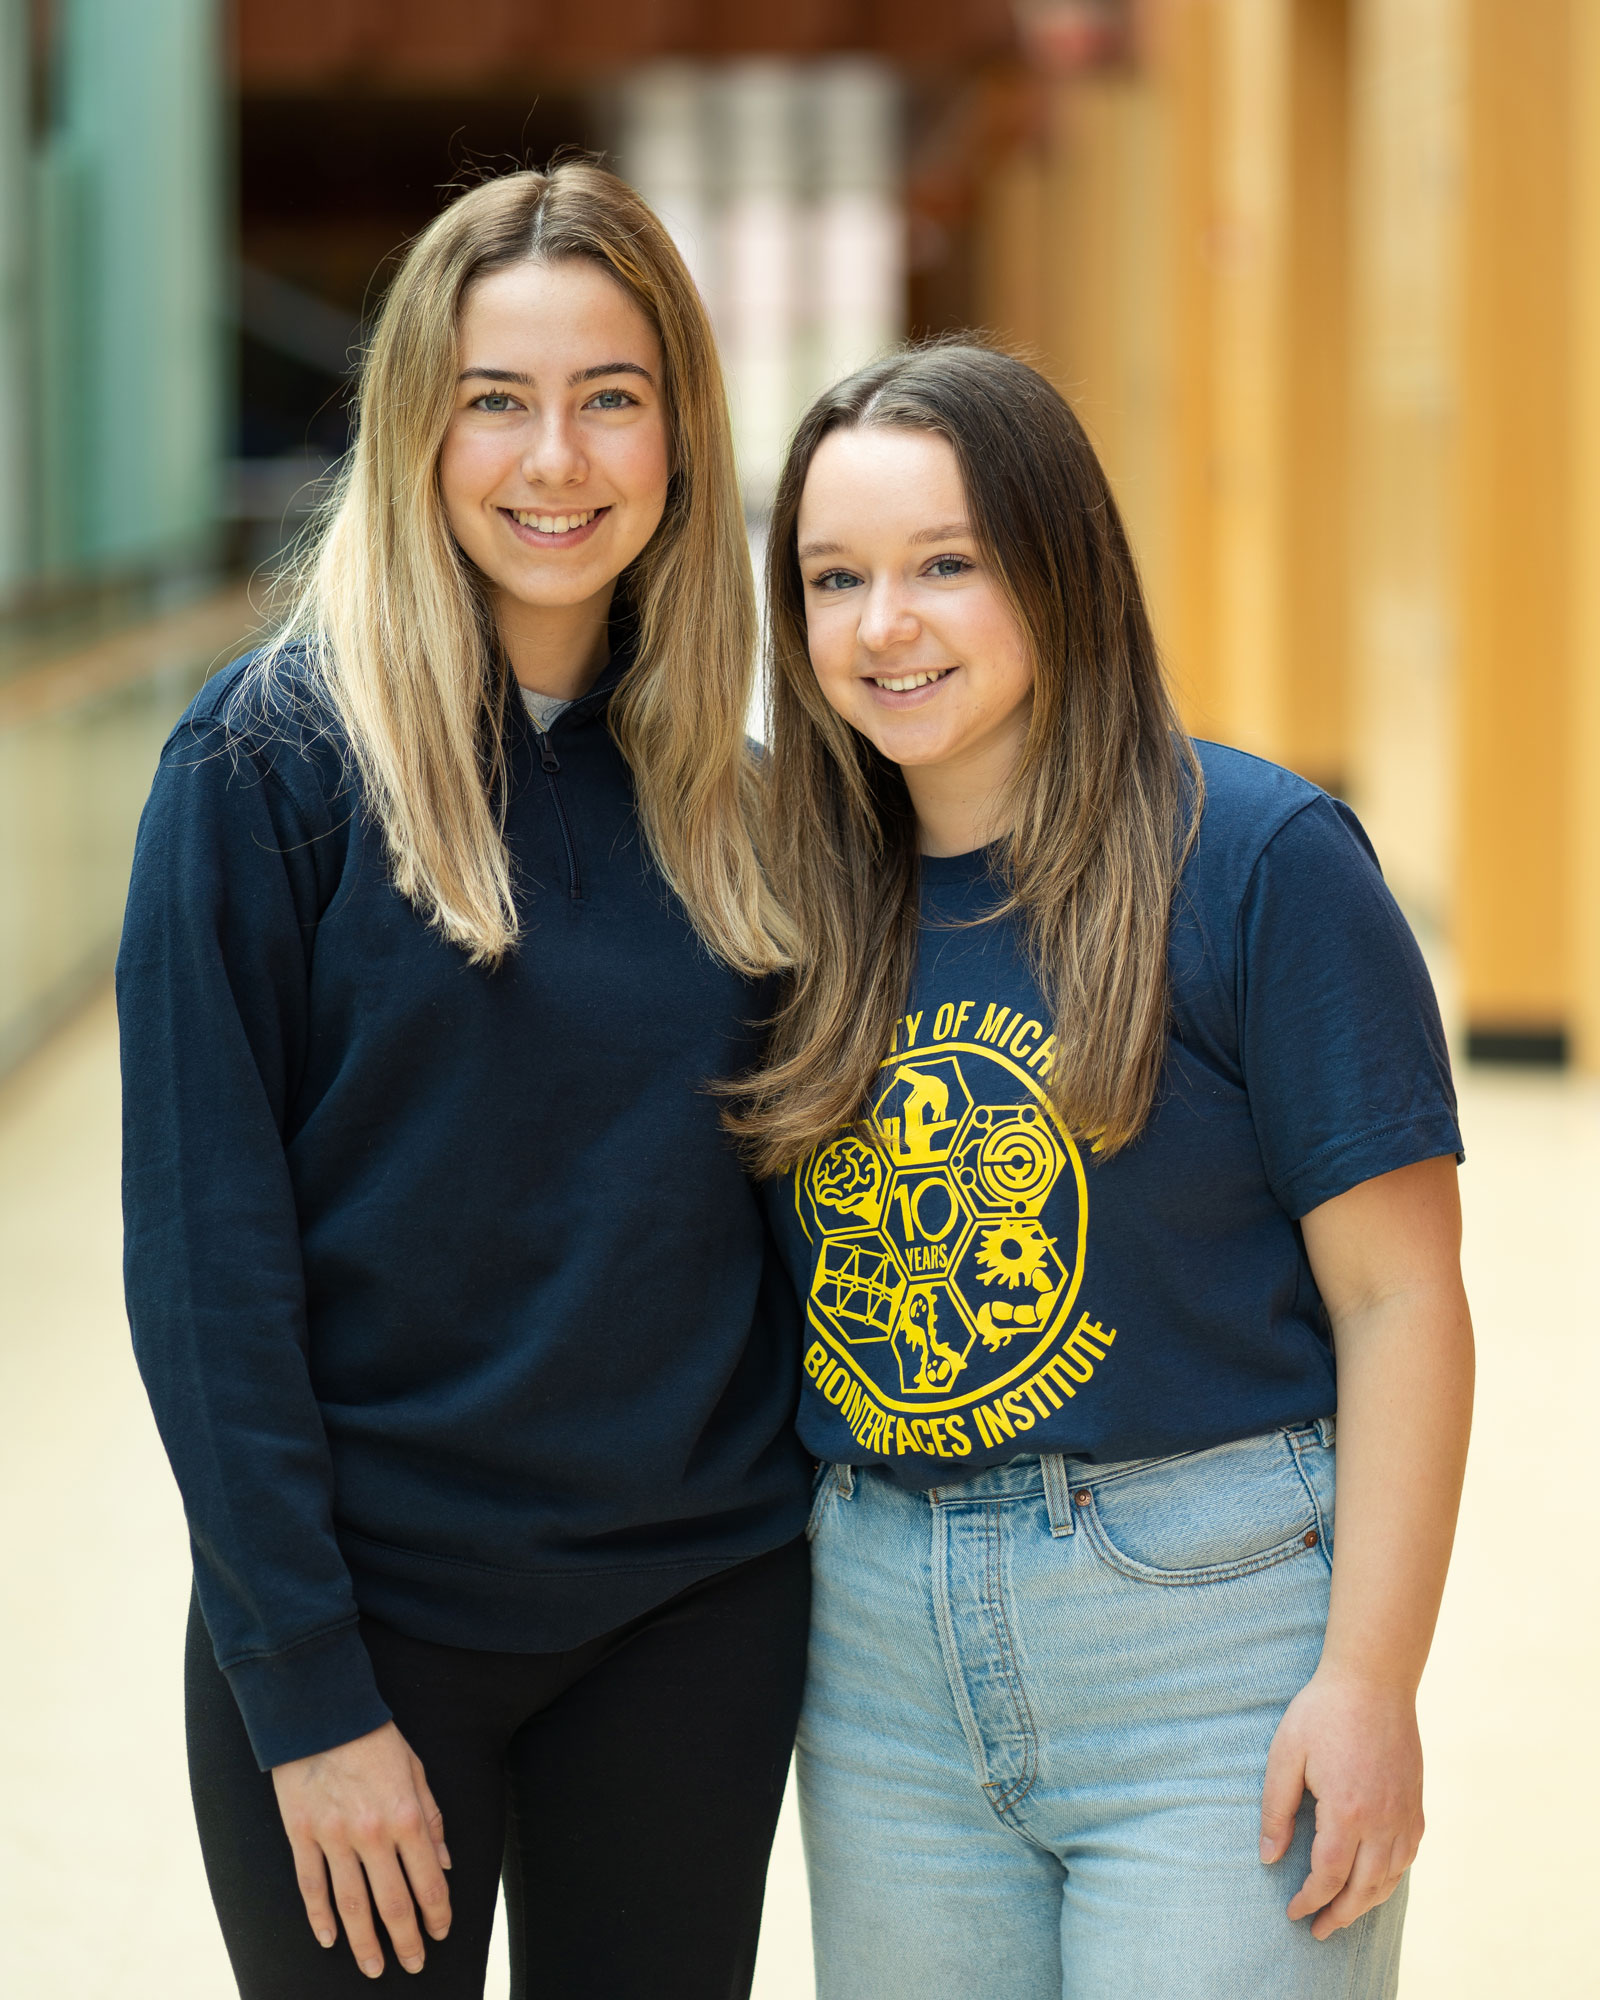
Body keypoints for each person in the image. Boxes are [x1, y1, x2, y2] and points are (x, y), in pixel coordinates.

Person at [118, 164, 812, 1999]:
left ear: (679, 430)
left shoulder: (739, 808)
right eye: (495, 399)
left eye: (611, 396)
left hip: (691, 1622)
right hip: (373, 1635)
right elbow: (207, 1272)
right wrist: (307, 1693)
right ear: (416, 425)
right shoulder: (265, 771)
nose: (554, 459)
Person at [732, 343, 1474, 1999]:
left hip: (1207, 1637)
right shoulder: (789, 902)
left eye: (946, 565)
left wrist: (1372, 1683)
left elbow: (1404, 1297)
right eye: (834, 578)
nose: (882, 626)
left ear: (1060, 564)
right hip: (875, 1650)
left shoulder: (1259, 861)